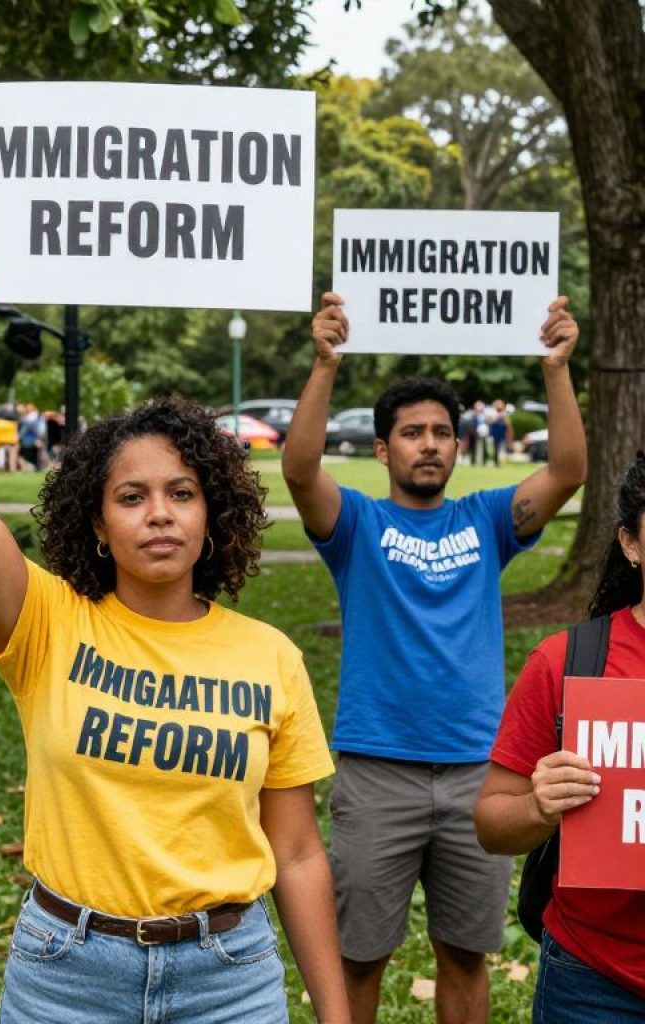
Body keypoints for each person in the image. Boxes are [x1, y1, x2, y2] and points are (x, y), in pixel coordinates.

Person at [0, 226, 351, 1024]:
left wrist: (336, 1016)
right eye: (131, 497)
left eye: (182, 493)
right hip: (66, 974)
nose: (159, 514)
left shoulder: (271, 656)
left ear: (212, 513)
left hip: (229, 976)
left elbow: (296, 854)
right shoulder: (48, 619)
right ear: (97, 523)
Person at [281, 291, 586, 1024]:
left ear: (457, 446)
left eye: (442, 432)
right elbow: (297, 472)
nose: (429, 444)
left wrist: (555, 370)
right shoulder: (358, 522)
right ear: (384, 449)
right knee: (358, 958)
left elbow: (569, 471)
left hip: (480, 776)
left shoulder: (485, 519)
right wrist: (325, 365)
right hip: (376, 770)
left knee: (465, 956)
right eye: (412, 432)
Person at [475, 453, 645, 1023]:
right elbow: (492, 824)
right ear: (631, 544)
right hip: (593, 978)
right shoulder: (566, 662)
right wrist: (539, 806)